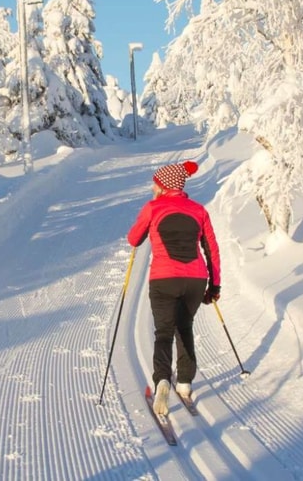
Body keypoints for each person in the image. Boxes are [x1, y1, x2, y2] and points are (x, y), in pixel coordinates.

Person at [127, 160, 221, 415]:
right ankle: (185, 383)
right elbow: (211, 248)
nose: (153, 187)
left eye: (155, 183)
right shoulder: (199, 210)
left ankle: (162, 381)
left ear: (162, 186)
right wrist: (214, 285)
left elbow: (134, 238)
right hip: (195, 280)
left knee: (164, 332)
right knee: (185, 327)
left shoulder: (153, 208)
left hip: (164, 279)